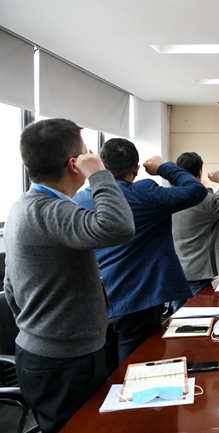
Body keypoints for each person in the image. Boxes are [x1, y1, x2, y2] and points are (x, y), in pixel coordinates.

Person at [3, 119, 135, 433]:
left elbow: (11, 287)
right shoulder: (52, 211)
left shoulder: (26, 205)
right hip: (62, 360)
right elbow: (119, 226)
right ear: (75, 164)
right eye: (88, 154)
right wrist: (100, 174)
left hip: (53, 352)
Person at [74, 138, 207, 375]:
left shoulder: (80, 199)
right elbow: (196, 190)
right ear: (136, 169)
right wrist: (164, 167)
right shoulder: (145, 193)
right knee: (139, 373)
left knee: (106, 376)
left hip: (97, 303)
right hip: (138, 300)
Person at [172, 152, 219, 310]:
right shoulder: (205, 200)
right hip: (200, 270)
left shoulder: (167, 197)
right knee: (199, 316)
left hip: (175, 270)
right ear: (200, 173)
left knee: (177, 317)